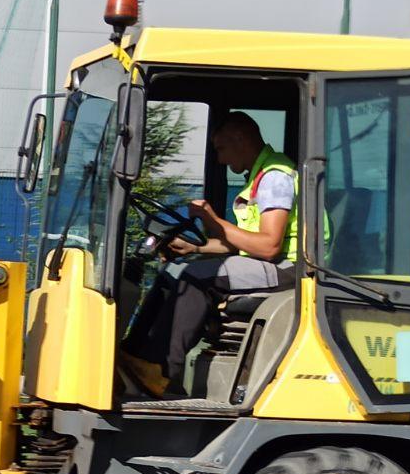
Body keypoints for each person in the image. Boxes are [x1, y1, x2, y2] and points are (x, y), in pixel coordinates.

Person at [121, 111, 302, 397]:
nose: (220, 159)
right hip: (269, 263)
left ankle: (163, 371)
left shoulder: (275, 177)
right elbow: (245, 243)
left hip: (290, 269)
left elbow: (268, 246)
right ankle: (134, 355)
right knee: (176, 270)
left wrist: (214, 222)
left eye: (221, 149)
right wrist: (197, 248)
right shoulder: (259, 176)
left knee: (195, 277)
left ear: (240, 139)